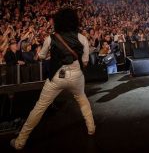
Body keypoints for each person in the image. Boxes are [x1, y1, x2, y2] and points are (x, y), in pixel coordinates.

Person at [10, 8, 95, 150]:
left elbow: (42, 56)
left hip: (56, 76)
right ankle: (91, 128)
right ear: (75, 21)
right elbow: (85, 62)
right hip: (76, 75)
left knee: (40, 107)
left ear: (58, 21)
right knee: (82, 100)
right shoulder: (82, 38)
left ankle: (20, 142)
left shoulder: (51, 38)